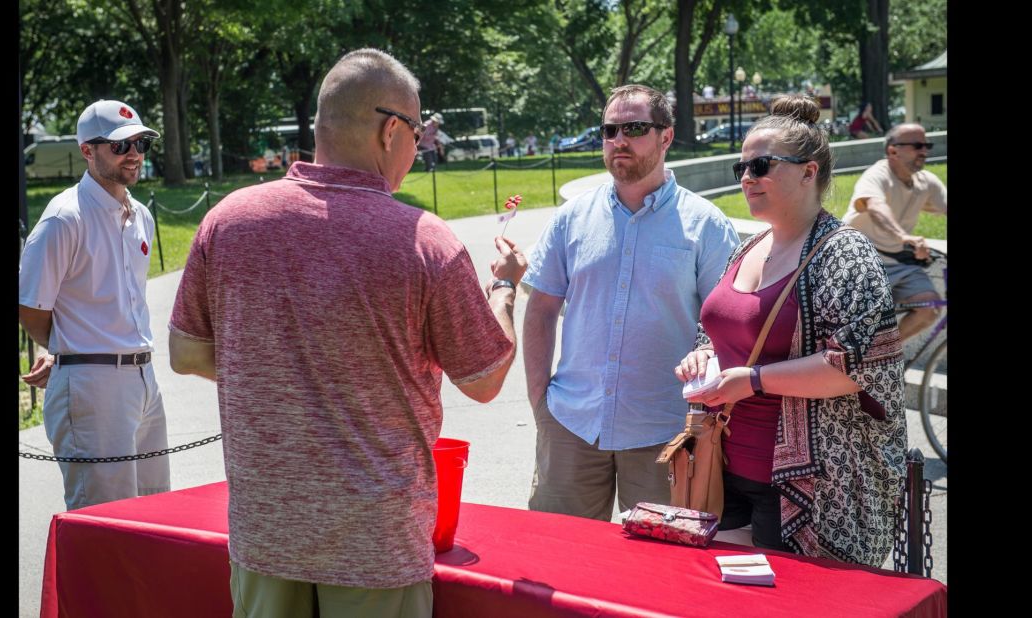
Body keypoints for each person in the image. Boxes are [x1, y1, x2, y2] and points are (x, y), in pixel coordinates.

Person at [168, 48, 527, 618]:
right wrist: (505, 289)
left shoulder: (228, 221)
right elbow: (484, 379)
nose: (421, 144)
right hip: (376, 546)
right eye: (418, 130)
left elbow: (186, 352)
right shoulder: (426, 242)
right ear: (390, 130)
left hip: (265, 536)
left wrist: (280, 364)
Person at [675, 95, 906, 567]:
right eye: (740, 167)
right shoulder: (749, 246)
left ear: (808, 172)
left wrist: (754, 379)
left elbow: (855, 366)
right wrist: (703, 355)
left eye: (761, 165)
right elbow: (716, 328)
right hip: (723, 468)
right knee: (726, 600)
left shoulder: (845, 253)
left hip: (809, 489)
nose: (746, 177)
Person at [522, 84, 739, 522]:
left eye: (635, 128)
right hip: (572, 425)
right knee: (560, 559)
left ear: (666, 137)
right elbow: (541, 310)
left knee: (660, 578)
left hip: (665, 431)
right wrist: (539, 402)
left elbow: (726, 325)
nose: (619, 140)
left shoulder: (706, 225)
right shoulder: (571, 219)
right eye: (609, 129)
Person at [18, 99, 169, 511]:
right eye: (120, 145)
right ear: (88, 150)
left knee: (157, 510)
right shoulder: (64, 219)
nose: (134, 153)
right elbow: (30, 307)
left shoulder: (140, 214)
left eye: (140, 143)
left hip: (143, 379)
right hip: (92, 386)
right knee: (105, 522)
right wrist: (73, 351)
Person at [843, 123, 946, 339]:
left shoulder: (926, 182)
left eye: (927, 145)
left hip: (900, 264)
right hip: (861, 262)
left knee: (930, 308)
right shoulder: (877, 175)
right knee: (857, 321)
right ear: (893, 150)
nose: (924, 151)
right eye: (917, 145)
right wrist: (903, 237)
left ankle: (886, 354)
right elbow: (875, 207)